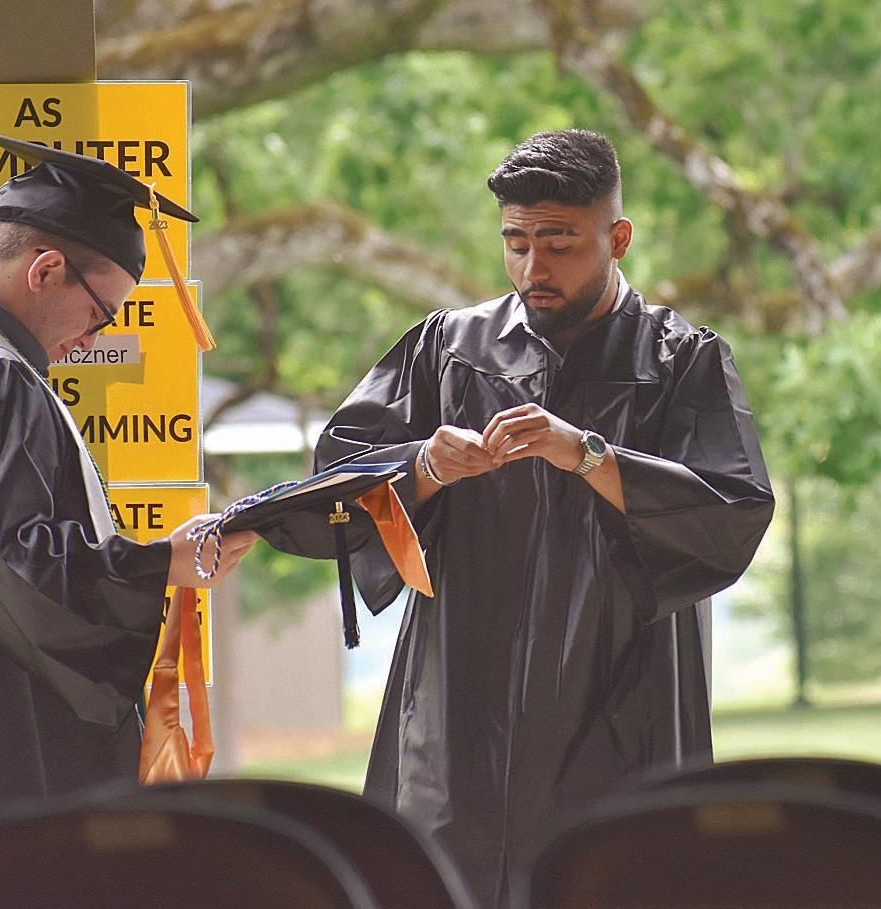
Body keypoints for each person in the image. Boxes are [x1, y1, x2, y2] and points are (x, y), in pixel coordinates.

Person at [316, 129, 774, 905]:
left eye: (560, 244)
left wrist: (588, 455)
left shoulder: (679, 361)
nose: (534, 268)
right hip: (460, 706)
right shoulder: (448, 350)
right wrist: (425, 465)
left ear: (617, 238)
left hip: (617, 703)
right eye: (516, 243)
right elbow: (335, 484)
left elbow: (730, 513)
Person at [0, 134, 256, 820]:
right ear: (46, 269)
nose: (89, 343)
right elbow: (10, 566)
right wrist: (160, 562)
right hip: (4, 738)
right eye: (98, 315)